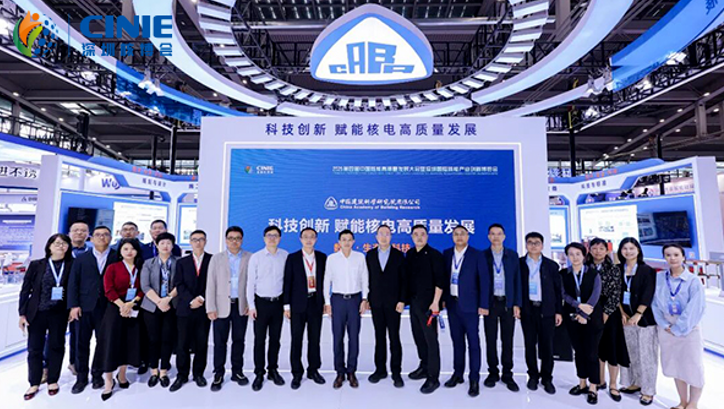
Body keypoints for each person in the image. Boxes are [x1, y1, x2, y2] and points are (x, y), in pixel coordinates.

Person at [18, 233, 73, 400]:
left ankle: (53, 380)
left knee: (57, 346)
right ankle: (34, 382)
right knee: (34, 348)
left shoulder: (72, 264)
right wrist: (22, 313)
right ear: (49, 246)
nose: (60, 246)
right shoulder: (37, 265)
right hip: (37, 312)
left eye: (64, 243)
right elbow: (25, 290)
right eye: (57, 243)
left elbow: (75, 289)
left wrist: (72, 307)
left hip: (59, 313)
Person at [652, 244, 706, 409]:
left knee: (693, 366)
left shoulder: (693, 281)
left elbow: (695, 308)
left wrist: (678, 328)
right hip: (666, 328)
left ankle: (693, 403)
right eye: (668, 255)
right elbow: (655, 304)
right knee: (676, 366)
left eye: (676, 254)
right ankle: (682, 402)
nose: (672, 258)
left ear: (683, 257)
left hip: (688, 329)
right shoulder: (660, 278)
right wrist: (664, 325)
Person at [68, 226, 116, 394]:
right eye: (98, 235)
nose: (102, 237)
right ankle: (81, 377)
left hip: (107, 307)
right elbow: (73, 283)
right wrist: (73, 305)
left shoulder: (117, 256)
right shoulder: (81, 258)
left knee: (103, 342)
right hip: (84, 307)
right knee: (81, 343)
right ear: (91, 239)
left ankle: (97, 374)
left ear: (110, 238)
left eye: (105, 234)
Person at [97, 238, 145, 401]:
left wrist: (131, 304)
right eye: (125, 249)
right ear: (120, 252)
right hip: (114, 309)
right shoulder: (113, 267)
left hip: (133, 309)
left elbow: (142, 289)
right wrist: (122, 305)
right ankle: (108, 380)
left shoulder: (140, 268)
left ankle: (122, 375)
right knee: (111, 343)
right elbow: (108, 290)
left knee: (128, 342)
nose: (129, 252)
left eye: (132, 249)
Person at [442, 225, 486, 397]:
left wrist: (483, 304)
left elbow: (484, 281)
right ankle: (457, 374)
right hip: (452, 305)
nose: (459, 237)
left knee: (473, 343)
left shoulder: (477, 255)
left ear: (468, 236)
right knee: (457, 341)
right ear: (452, 237)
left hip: (471, 306)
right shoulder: (447, 254)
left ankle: (474, 378)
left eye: (462, 234)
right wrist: (443, 300)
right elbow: (444, 279)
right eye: (456, 234)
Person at [206, 226, 251, 391]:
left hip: (241, 305)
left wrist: (251, 304)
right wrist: (210, 307)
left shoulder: (250, 257)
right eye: (231, 238)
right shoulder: (216, 258)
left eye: (238, 238)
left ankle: (237, 371)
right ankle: (218, 373)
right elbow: (211, 284)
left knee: (239, 341)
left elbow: (252, 283)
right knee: (220, 342)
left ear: (242, 240)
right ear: (226, 240)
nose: (234, 241)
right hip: (221, 306)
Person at [324, 229, 369, 389]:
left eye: (349, 239)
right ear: (339, 241)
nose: (347, 242)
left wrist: (364, 299)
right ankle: (339, 372)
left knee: (354, 338)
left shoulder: (360, 257)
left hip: (355, 300)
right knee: (337, 338)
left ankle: (351, 371)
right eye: (344, 239)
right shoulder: (332, 259)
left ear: (353, 241)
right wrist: (327, 302)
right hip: (337, 300)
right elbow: (326, 281)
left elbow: (365, 279)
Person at [283, 227, 327, 389]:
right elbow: (287, 282)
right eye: (305, 237)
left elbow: (326, 282)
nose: (309, 240)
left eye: (312, 237)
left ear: (316, 239)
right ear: (300, 239)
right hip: (297, 304)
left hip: (315, 303)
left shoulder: (322, 257)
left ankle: (313, 370)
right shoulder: (292, 258)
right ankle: (297, 373)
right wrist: (286, 306)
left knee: (314, 339)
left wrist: (325, 302)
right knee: (296, 339)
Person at [519, 232, 562, 395]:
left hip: (547, 310)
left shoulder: (551, 265)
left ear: (542, 245)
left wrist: (558, 311)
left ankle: (547, 378)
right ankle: (533, 376)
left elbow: (558, 291)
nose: (533, 245)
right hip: (528, 310)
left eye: (537, 242)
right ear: (526, 245)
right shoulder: (520, 264)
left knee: (547, 346)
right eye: (530, 242)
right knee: (530, 345)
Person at [561, 242, 604, 405]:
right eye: (571, 254)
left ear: (584, 255)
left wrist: (585, 314)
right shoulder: (563, 274)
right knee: (578, 351)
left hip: (592, 318)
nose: (574, 257)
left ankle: (593, 387)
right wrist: (578, 306)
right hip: (573, 317)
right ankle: (582, 383)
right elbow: (563, 294)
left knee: (592, 353)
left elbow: (595, 295)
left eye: (578, 254)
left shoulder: (593, 273)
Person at [404, 224, 445, 394]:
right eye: (416, 234)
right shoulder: (410, 254)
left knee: (431, 340)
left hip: (429, 305)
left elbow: (440, 281)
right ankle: (424, 366)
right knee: (418, 337)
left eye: (422, 234)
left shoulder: (435, 255)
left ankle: (433, 377)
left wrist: (436, 303)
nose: (419, 237)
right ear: (412, 237)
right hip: (414, 304)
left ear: (427, 236)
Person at [247, 226, 289, 391]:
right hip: (261, 303)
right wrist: (251, 306)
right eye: (269, 235)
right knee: (259, 340)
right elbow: (250, 283)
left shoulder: (285, 256)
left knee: (275, 339)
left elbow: (288, 282)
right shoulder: (256, 257)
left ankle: (273, 370)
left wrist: (286, 305)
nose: (272, 238)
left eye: (275, 235)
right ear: (264, 238)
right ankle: (259, 372)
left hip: (278, 303)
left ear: (280, 238)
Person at [618, 237, 658, 406]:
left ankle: (648, 391)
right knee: (631, 353)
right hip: (625, 318)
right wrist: (622, 313)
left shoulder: (646, 270)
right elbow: (615, 293)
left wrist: (638, 314)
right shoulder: (618, 269)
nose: (628, 251)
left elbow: (648, 293)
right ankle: (635, 382)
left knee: (647, 355)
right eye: (625, 248)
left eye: (631, 248)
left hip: (644, 319)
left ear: (638, 250)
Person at [587, 237, 628, 402]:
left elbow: (615, 294)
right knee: (595, 347)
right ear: (589, 250)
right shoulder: (586, 267)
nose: (598, 252)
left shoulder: (614, 269)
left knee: (611, 348)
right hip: (590, 310)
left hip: (610, 313)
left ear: (607, 250)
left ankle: (613, 384)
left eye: (601, 248)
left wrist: (605, 313)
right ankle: (599, 380)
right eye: (594, 248)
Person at [482, 223, 522, 392]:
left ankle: (507, 374)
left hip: (507, 303)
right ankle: (492, 372)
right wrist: (482, 304)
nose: (496, 237)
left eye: (499, 234)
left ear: (504, 236)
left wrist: (517, 304)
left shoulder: (512, 255)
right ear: (488, 237)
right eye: (492, 234)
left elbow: (517, 281)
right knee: (490, 340)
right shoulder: (482, 256)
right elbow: (479, 282)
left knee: (508, 340)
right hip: (490, 304)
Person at [171, 230, 212, 392]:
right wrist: (190, 300)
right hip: (185, 309)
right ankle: (182, 375)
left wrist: (201, 299)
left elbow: (214, 283)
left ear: (205, 241)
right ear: (190, 242)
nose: (198, 242)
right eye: (195, 239)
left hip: (204, 308)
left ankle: (198, 374)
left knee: (202, 343)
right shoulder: (182, 262)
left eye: (201, 239)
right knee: (182, 344)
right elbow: (179, 284)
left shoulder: (212, 260)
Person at [366, 225, 406, 388]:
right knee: (379, 337)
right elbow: (367, 279)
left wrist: (402, 300)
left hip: (394, 304)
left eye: (387, 234)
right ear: (376, 237)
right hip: (376, 303)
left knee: (394, 338)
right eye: (381, 234)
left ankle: (396, 372)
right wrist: (367, 299)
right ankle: (380, 370)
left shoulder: (398, 255)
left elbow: (404, 280)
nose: (384, 237)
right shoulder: (370, 255)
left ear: (391, 236)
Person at [140, 232, 179, 388]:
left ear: (173, 246)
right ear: (156, 245)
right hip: (151, 306)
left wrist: (167, 299)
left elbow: (180, 283)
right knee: (153, 339)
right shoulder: (148, 263)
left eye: (168, 243)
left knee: (167, 339)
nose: (165, 246)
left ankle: (163, 371)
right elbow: (145, 286)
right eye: (162, 243)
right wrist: (159, 301)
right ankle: (153, 370)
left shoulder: (179, 262)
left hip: (171, 305)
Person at [66, 220, 91, 376]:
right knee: (53, 336)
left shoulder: (91, 253)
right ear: (69, 233)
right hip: (61, 298)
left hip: (81, 299)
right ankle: (47, 368)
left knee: (77, 334)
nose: (79, 233)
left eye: (83, 230)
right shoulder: (62, 251)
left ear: (88, 234)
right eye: (76, 230)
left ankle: (75, 363)